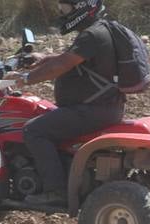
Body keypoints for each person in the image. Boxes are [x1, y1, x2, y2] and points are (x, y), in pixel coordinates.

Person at [15, 0, 136, 207]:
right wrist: (43, 57)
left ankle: (56, 191)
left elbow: (62, 65)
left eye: (66, 9)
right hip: (107, 107)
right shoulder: (102, 29)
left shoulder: (91, 35)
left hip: (91, 110)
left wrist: (24, 78)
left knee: (34, 130)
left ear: (82, 7)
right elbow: (71, 58)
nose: (62, 13)